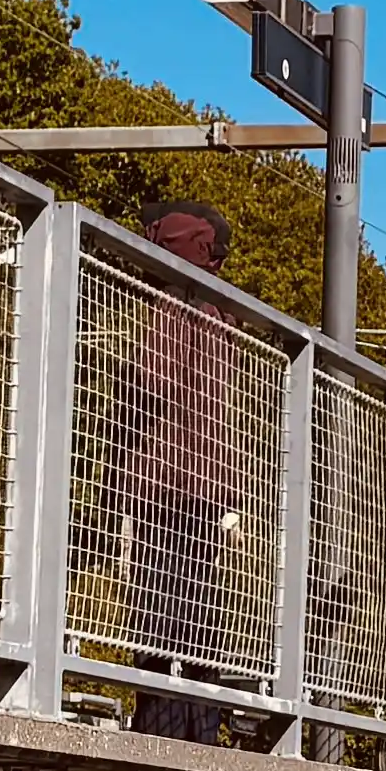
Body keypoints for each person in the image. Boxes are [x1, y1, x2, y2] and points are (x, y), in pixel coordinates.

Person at [109, 201, 255, 734]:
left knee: (156, 612)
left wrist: (120, 401)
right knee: (202, 616)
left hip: (157, 484)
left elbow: (152, 386)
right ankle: (202, 725)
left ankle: (159, 726)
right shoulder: (220, 313)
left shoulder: (167, 304)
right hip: (210, 490)